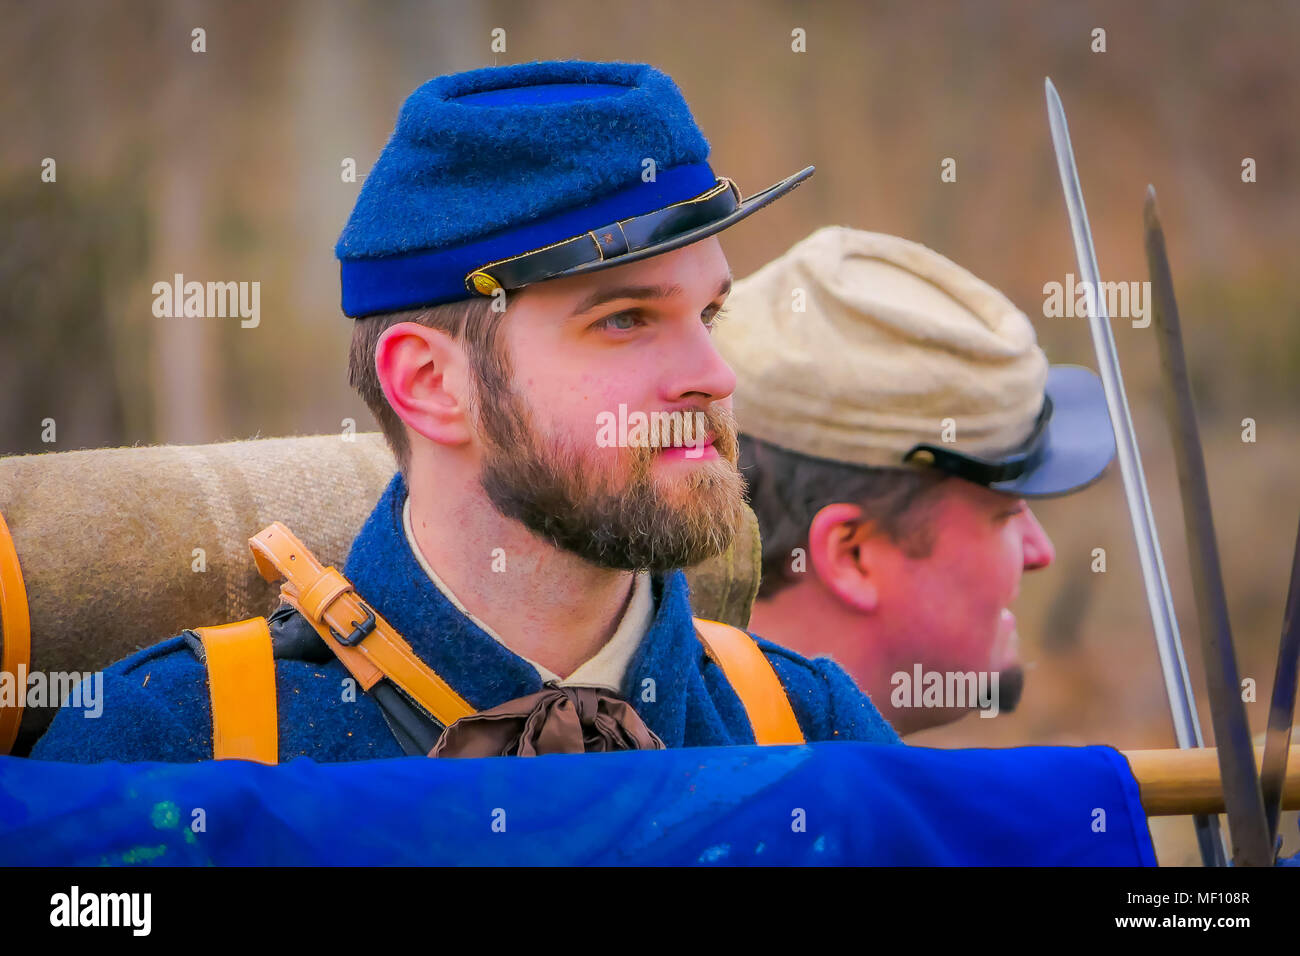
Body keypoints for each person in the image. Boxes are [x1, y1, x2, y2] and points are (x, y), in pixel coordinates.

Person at [33, 62, 899, 764]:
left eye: (706, 315)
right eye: (625, 319)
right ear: (429, 384)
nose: (713, 376)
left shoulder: (804, 729)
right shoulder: (174, 746)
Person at [712, 227, 1115, 735]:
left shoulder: (680, 751)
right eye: (1006, 514)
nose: (1040, 551)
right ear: (852, 554)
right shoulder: (792, 810)